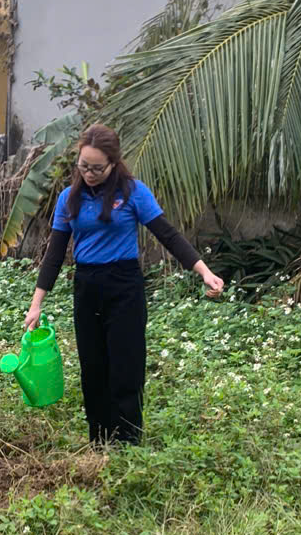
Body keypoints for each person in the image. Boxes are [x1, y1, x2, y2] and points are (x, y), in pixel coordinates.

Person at [23, 124, 224, 447]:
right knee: (93, 367)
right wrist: (36, 304)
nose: (89, 174)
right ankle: (99, 441)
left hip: (124, 286)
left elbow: (168, 234)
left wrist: (204, 271)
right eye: (84, 166)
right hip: (87, 287)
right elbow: (55, 254)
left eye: (97, 168)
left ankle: (128, 443)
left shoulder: (132, 192)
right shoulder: (68, 198)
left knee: (125, 366)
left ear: (113, 163)